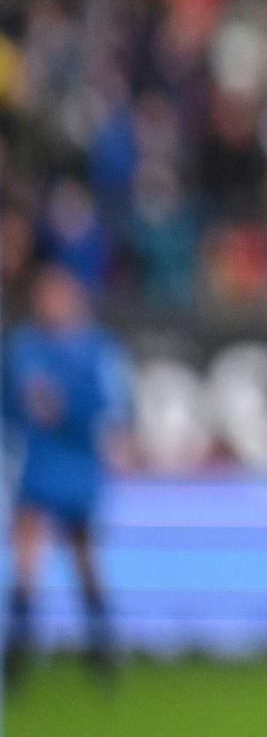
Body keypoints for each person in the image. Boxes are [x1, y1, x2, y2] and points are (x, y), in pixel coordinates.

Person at [3, 264, 127, 684]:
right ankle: (17, 655)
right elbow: (10, 402)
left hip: (77, 458)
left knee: (83, 554)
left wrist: (65, 409)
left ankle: (101, 651)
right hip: (39, 458)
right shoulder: (24, 346)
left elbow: (108, 406)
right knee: (26, 555)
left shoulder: (95, 348)